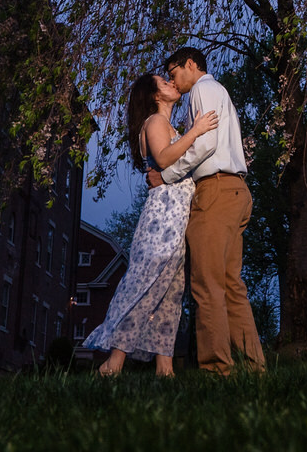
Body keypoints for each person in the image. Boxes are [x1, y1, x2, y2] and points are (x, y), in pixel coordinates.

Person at [84, 72, 218, 377]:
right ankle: (113, 363)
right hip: (162, 218)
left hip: (176, 218)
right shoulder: (155, 122)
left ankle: (165, 368)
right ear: (155, 95)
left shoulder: (169, 125)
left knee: (171, 294)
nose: (172, 84)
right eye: (164, 82)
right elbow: (164, 156)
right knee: (144, 285)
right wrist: (195, 131)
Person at [148, 46, 266, 375]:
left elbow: (206, 144)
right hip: (236, 192)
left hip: (215, 191)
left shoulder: (202, 89)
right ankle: (255, 370)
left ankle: (216, 372)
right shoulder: (218, 91)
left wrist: (167, 175)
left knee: (207, 285)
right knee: (230, 286)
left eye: (173, 74)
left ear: (190, 65)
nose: (174, 80)